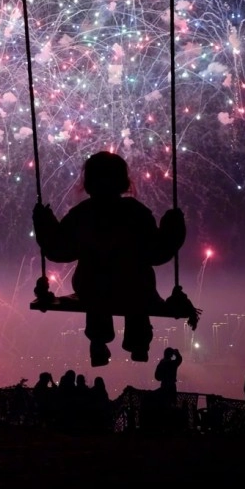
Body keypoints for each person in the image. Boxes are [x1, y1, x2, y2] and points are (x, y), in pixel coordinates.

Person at [33, 151, 185, 366]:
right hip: (135, 287)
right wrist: (173, 227)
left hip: (92, 287)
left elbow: (59, 250)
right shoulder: (136, 212)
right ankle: (139, 343)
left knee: (95, 289)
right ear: (124, 181)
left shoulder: (82, 214)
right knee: (137, 288)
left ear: (88, 183)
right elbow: (156, 252)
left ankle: (98, 340)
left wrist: (44, 223)